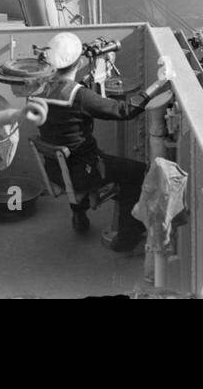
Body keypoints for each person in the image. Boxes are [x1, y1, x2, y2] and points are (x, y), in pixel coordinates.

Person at [34, 31, 170, 253]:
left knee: (77, 158)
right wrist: (158, 83)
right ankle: (126, 240)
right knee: (136, 172)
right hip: (85, 171)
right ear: (79, 62)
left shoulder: (38, 90)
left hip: (56, 170)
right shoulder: (79, 96)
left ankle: (79, 214)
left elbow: (64, 101)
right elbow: (125, 111)